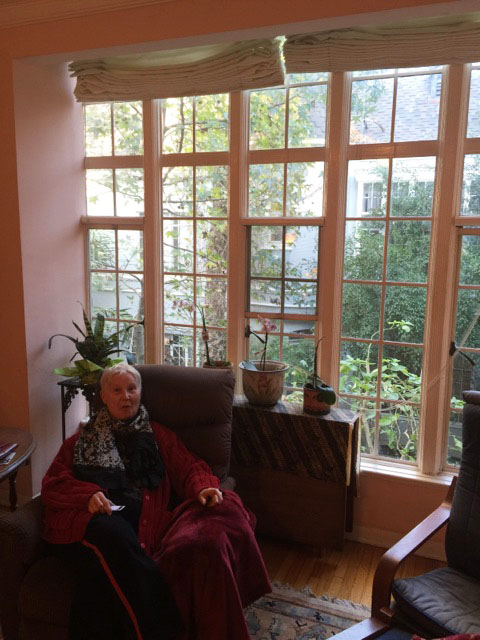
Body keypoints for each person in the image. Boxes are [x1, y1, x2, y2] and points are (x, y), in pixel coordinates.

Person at [41, 363, 271, 640]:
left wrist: (203, 487)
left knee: (98, 585)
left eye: (131, 389)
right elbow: (53, 483)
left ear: (140, 392)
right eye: (117, 390)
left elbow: (188, 467)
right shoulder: (81, 441)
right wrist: (86, 495)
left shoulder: (158, 436)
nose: (126, 397)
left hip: (138, 526)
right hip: (91, 520)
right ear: (103, 396)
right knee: (112, 533)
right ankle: (165, 627)